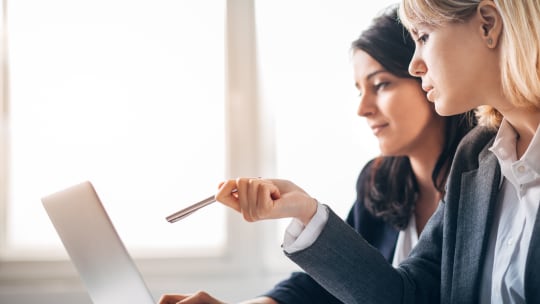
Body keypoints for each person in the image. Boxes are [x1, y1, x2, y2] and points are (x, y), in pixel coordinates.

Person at [212, 0, 540, 303]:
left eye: (423, 37)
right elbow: (405, 295)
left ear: (487, 25)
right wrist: (305, 211)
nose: (415, 65)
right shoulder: (477, 159)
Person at [158, 5, 477, 304]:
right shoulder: (378, 180)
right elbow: (330, 283)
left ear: (426, 74)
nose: (363, 109)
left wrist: (306, 211)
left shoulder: (481, 182)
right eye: (359, 90)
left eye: (380, 85)